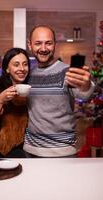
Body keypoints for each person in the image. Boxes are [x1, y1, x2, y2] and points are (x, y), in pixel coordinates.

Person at [23, 25, 95, 158]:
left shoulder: (67, 72)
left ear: (55, 45)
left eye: (48, 43)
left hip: (63, 152)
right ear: (30, 45)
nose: (43, 48)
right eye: (38, 43)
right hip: (30, 151)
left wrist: (86, 85)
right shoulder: (28, 75)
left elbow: (84, 93)